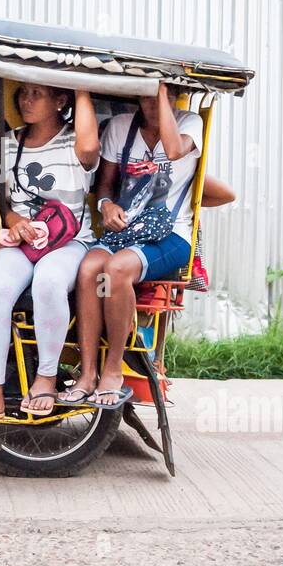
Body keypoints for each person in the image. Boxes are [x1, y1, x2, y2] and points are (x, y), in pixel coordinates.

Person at [0, 84, 100, 425]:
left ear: (60, 101)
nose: (26, 100)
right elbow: (2, 204)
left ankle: (46, 378)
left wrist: (81, 87)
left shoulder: (75, 142)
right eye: (23, 92)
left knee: (49, 282)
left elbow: (89, 149)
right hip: (23, 243)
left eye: (37, 93)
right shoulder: (6, 145)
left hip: (69, 242)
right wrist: (16, 223)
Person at [65, 83, 204, 408]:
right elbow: (105, 185)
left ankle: (114, 370)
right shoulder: (120, 127)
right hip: (125, 232)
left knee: (116, 270)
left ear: (174, 96)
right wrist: (106, 206)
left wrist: (161, 93)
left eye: (163, 97)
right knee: (88, 269)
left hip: (171, 235)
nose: (153, 104)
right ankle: (87, 374)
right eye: (147, 96)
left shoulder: (189, 123)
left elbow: (173, 150)